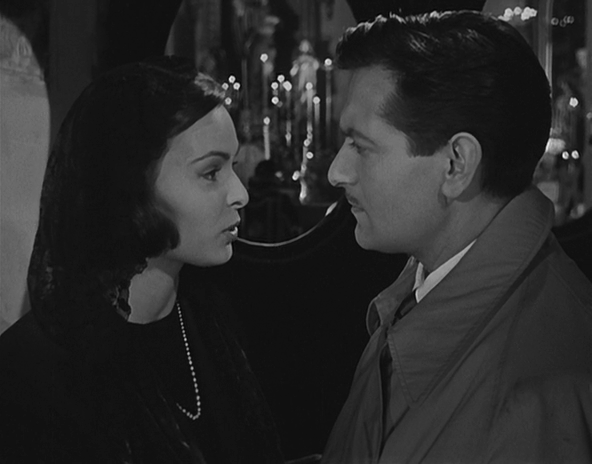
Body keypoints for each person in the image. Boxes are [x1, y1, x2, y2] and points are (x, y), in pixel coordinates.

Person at [322, 11, 592, 464]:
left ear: (456, 165)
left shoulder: (540, 396)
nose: (337, 171)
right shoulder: (424, 289)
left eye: (361, 146)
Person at [0, 56, 284, 463]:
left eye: (233, 166)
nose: (241, 194)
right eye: (211, 172)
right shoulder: (33, 374)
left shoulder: (221, 318)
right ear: (130, 185)